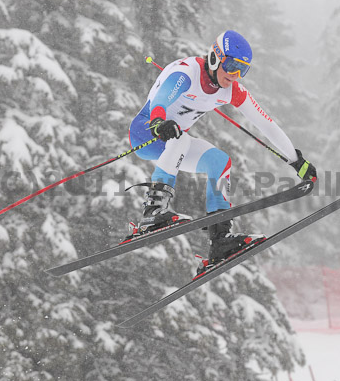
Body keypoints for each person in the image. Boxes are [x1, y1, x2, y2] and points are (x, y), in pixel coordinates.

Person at [128, 30, 316, 272]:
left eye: (242, 70)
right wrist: (158, 123)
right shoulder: (187, 72)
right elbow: (162, 100)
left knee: (220, 161)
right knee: (181, 139)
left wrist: (295, 160)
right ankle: (153, 211)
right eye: (231, 65)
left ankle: (220, 241)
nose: (234, 74)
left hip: (174, 142)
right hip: (147, 132)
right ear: (215, 57)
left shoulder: (231, 89)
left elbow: (266, 123)